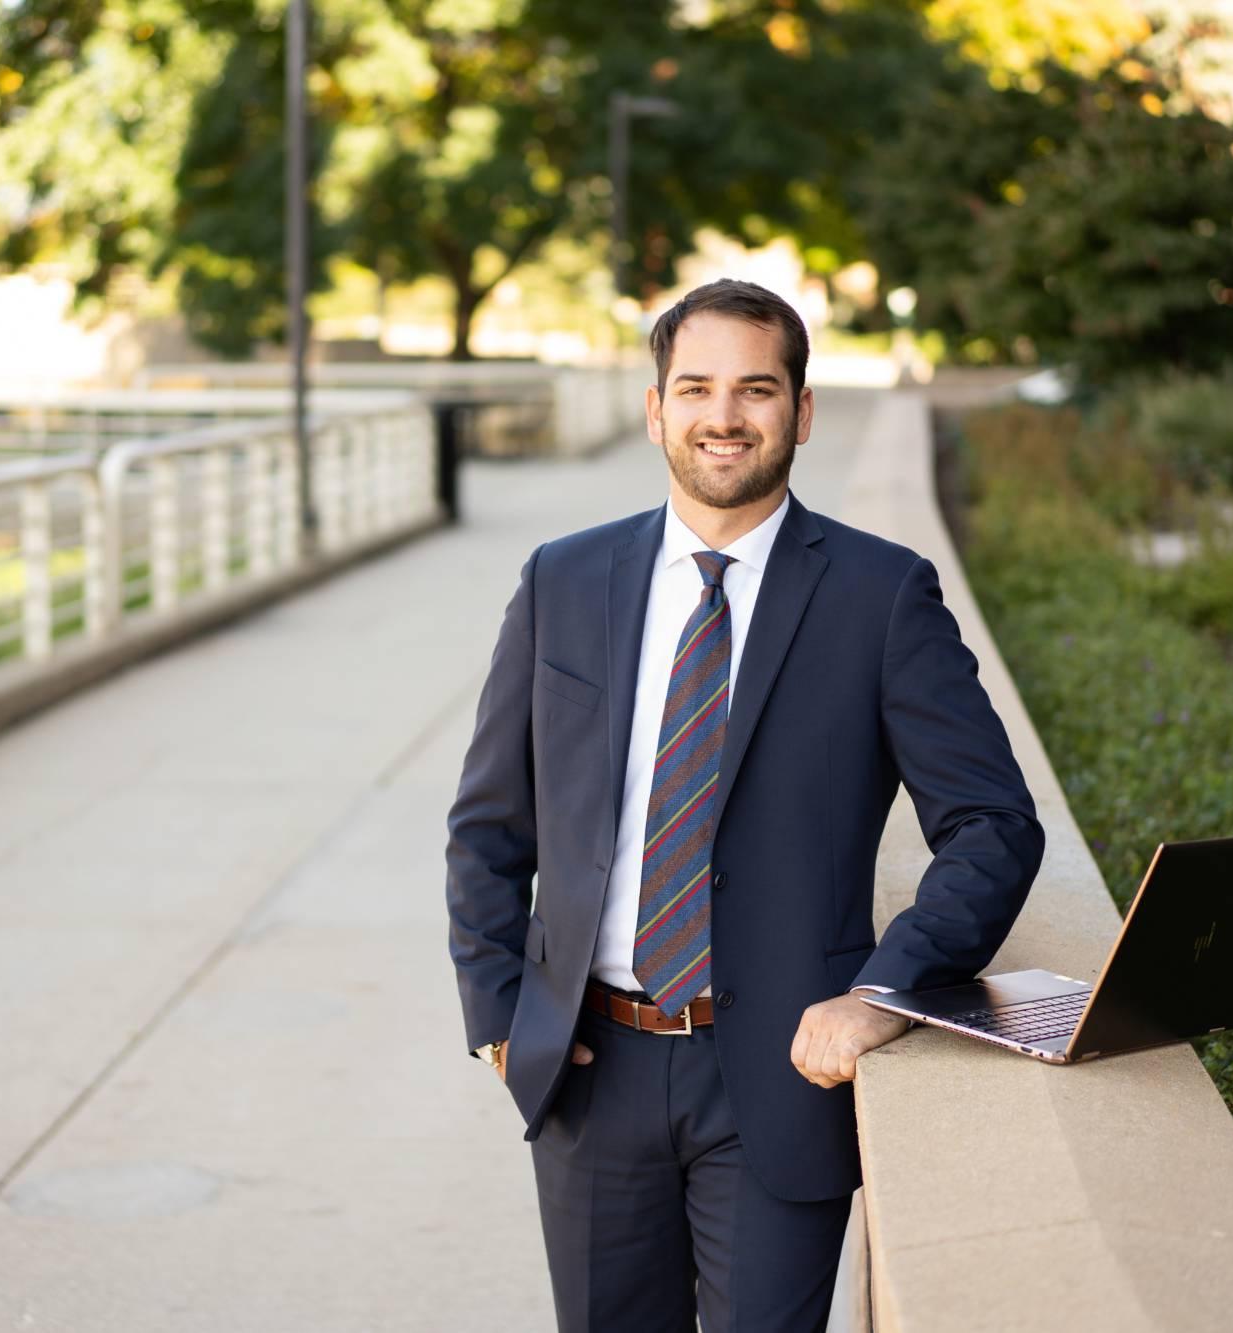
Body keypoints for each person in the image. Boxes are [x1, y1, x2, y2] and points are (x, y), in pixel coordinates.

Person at [443, 278, 1044, 1331]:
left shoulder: (879, 595)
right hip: (590, 1070)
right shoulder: (562, 580)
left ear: (800, 413)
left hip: (778, 1076)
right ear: (655, 409)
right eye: (696, 388)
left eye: (755, 389)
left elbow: (992, 824)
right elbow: (489, 826)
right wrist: (500, 1012)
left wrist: (884, 989)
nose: (723, 416)